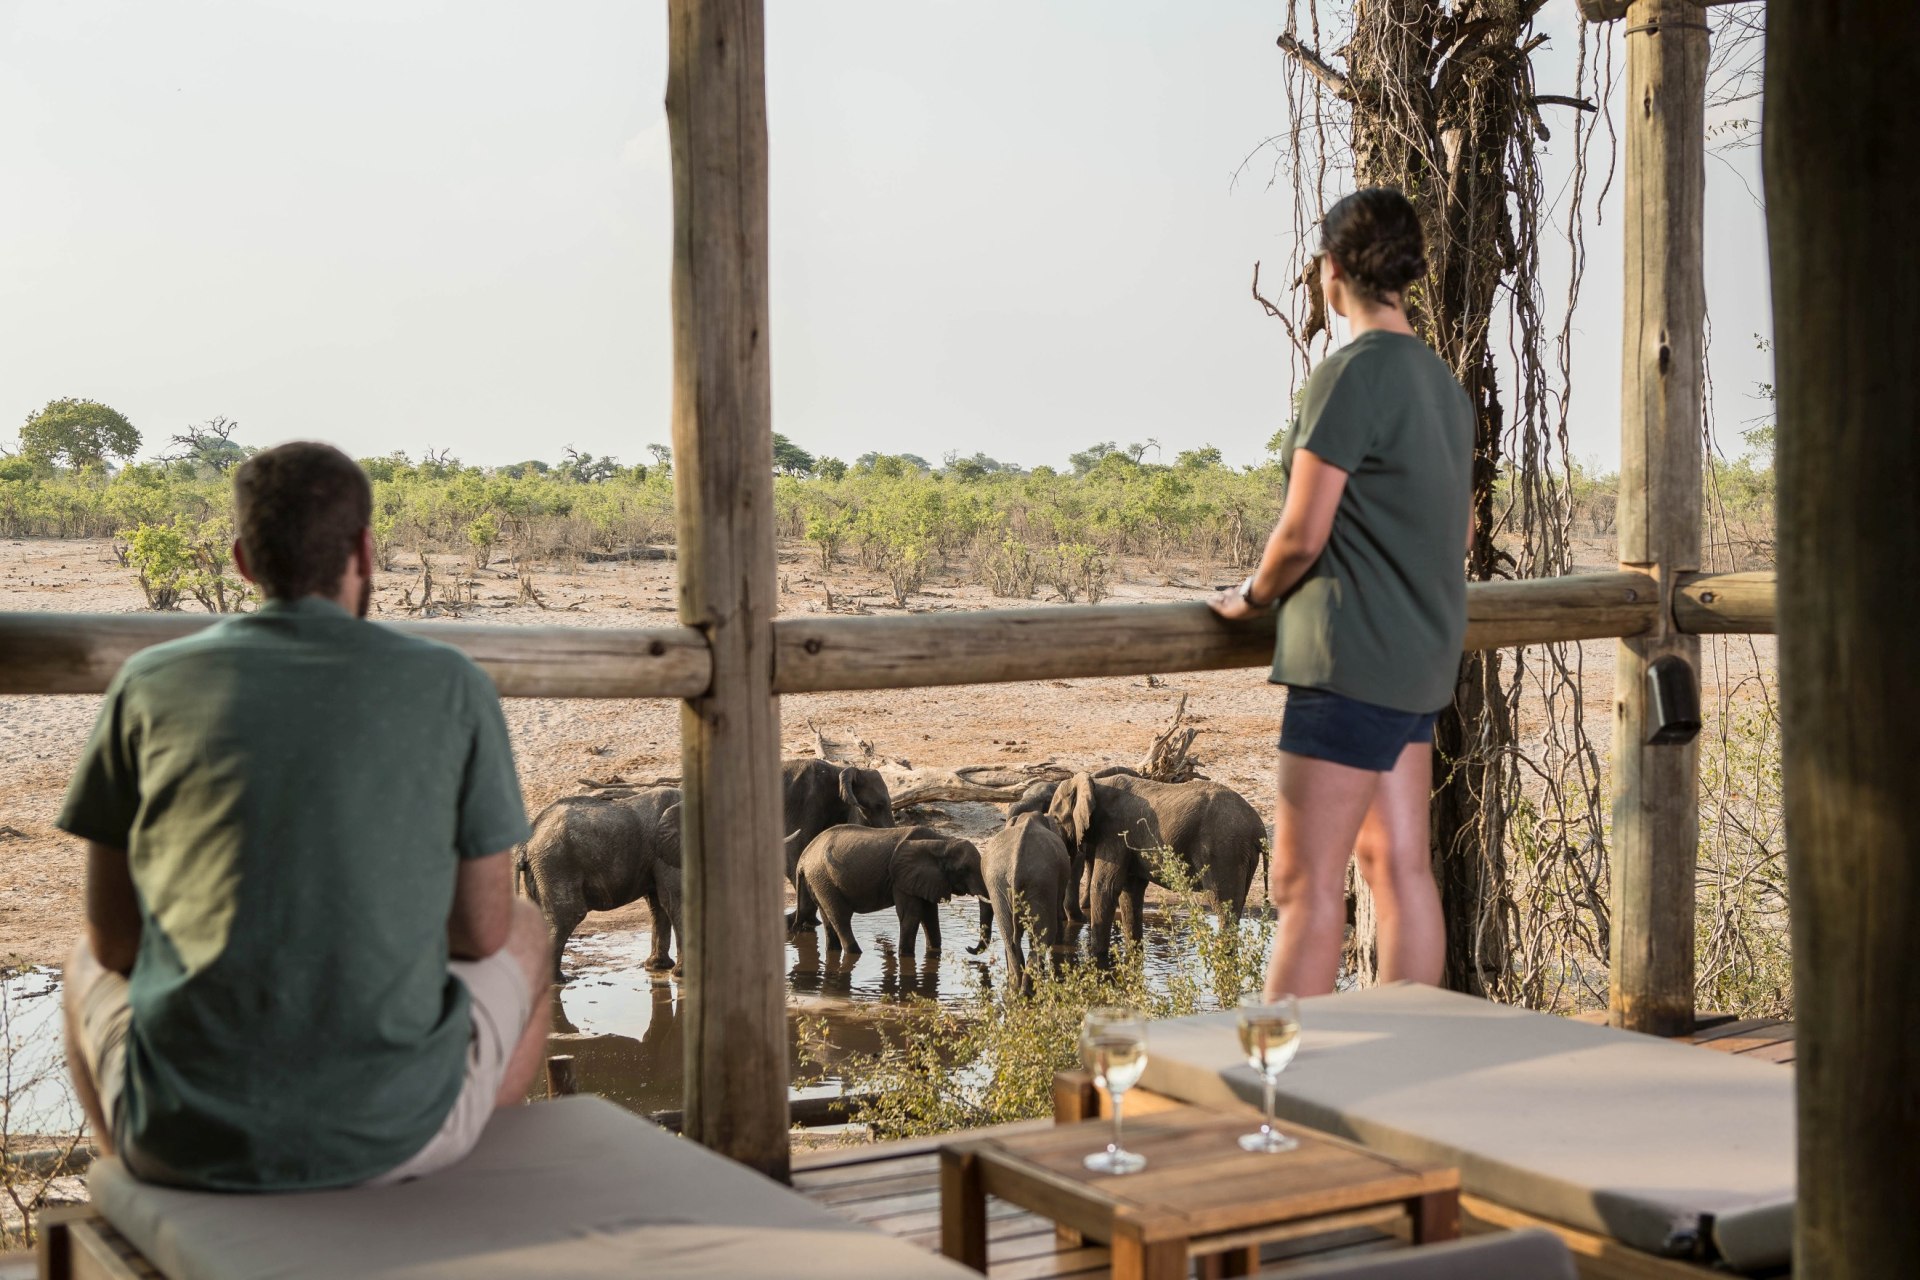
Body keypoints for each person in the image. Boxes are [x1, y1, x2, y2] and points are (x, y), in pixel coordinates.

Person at [58, 441, 551, 1190]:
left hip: (182, 1141)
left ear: (242, 561)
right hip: (395, 1139)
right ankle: (454, 1170)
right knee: (526, 926)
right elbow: (480, 933)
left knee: (80, 960)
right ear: (365, 550)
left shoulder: (149, 682)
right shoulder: (451, 684)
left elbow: (116, 941)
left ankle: (133, 1180)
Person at [1209, 187, 1473, 999]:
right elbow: (1457, 534)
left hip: (1346, 663)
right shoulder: (1442, 384)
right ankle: (1405, 1068)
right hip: (1418, 661)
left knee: (1302, 885)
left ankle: (1281, 1094)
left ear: (1331, 273)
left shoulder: (1348, 375)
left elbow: (1300, 533)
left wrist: (1249, 600)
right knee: (1398, 871)